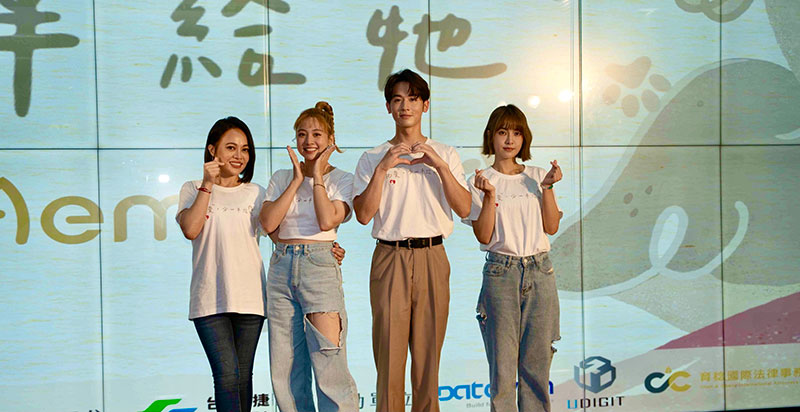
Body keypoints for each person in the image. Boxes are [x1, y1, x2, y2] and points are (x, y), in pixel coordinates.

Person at [352, 69, 471, 412]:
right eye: (397, 99)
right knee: (389, 357)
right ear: (388, 107)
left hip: (433, 255)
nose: (405, 106)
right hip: (390, 257)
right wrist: (382, 169)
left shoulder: (445, 153)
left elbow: (465, 208)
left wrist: (440, 167)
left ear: (425, 105)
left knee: (428, 359)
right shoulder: (373, 157)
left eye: (413, 99)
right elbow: (363, 214)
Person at [259, 101, 358, 412]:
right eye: (302, 134)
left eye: (317, 134)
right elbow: (268, 224)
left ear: (331, 139)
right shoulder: (281, 177)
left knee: (330, 363)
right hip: (281, 268)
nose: (308, 141)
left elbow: (327, 220)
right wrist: (296, 180)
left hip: (320, 267)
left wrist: (316, 177)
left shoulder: (342, 179)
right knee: (286, 368)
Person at [464, 104, 563, 412]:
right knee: (503, 372)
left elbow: (551, 227)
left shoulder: (537, 176)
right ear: (490, 136)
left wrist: (548, 188)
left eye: (517, 133)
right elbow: (484, 236)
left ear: (524, 138)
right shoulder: (479, 180)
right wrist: (490, 195)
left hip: (540, 271)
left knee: (537, 369)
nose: (510, 140)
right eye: (503, 132)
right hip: (501, 273)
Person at [176, 116, 266, 412]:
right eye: (231, 147)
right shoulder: (192, 188)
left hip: (251, 297)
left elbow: (280, 231)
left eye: (245, 149)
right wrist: (207, 185)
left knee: (242, 378)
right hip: (209, 298)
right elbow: (191, 229)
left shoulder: (256, 192)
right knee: (226, 376)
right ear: (212, 150)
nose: (239, 156)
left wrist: (329, 247)